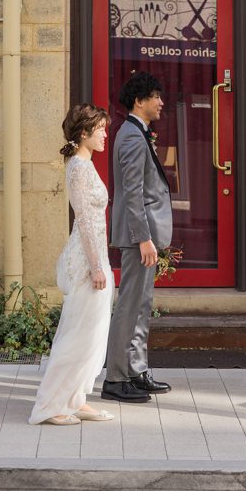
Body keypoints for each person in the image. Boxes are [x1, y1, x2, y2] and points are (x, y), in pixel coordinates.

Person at [28, 104, 115, 426]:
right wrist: (96, 267)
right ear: (84, 133)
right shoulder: (78, 167)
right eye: (100, 129)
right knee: (78, 334)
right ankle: (50, 405)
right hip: (86, 259)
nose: (105, 135)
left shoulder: (85, 165)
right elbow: (85, 220)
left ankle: (75, 398)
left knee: (91, 334)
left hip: (95, 255)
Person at [102, 72, 173, 403]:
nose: (161, 102)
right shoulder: (131, 136)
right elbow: (132, 192)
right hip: (137, 236)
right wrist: (144, 238)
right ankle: (116, 378)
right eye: (155, 96)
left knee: (142, 304)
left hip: (143, 235)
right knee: (130, 305)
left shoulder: (138, 132)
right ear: (138, 101)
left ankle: (136, 370)